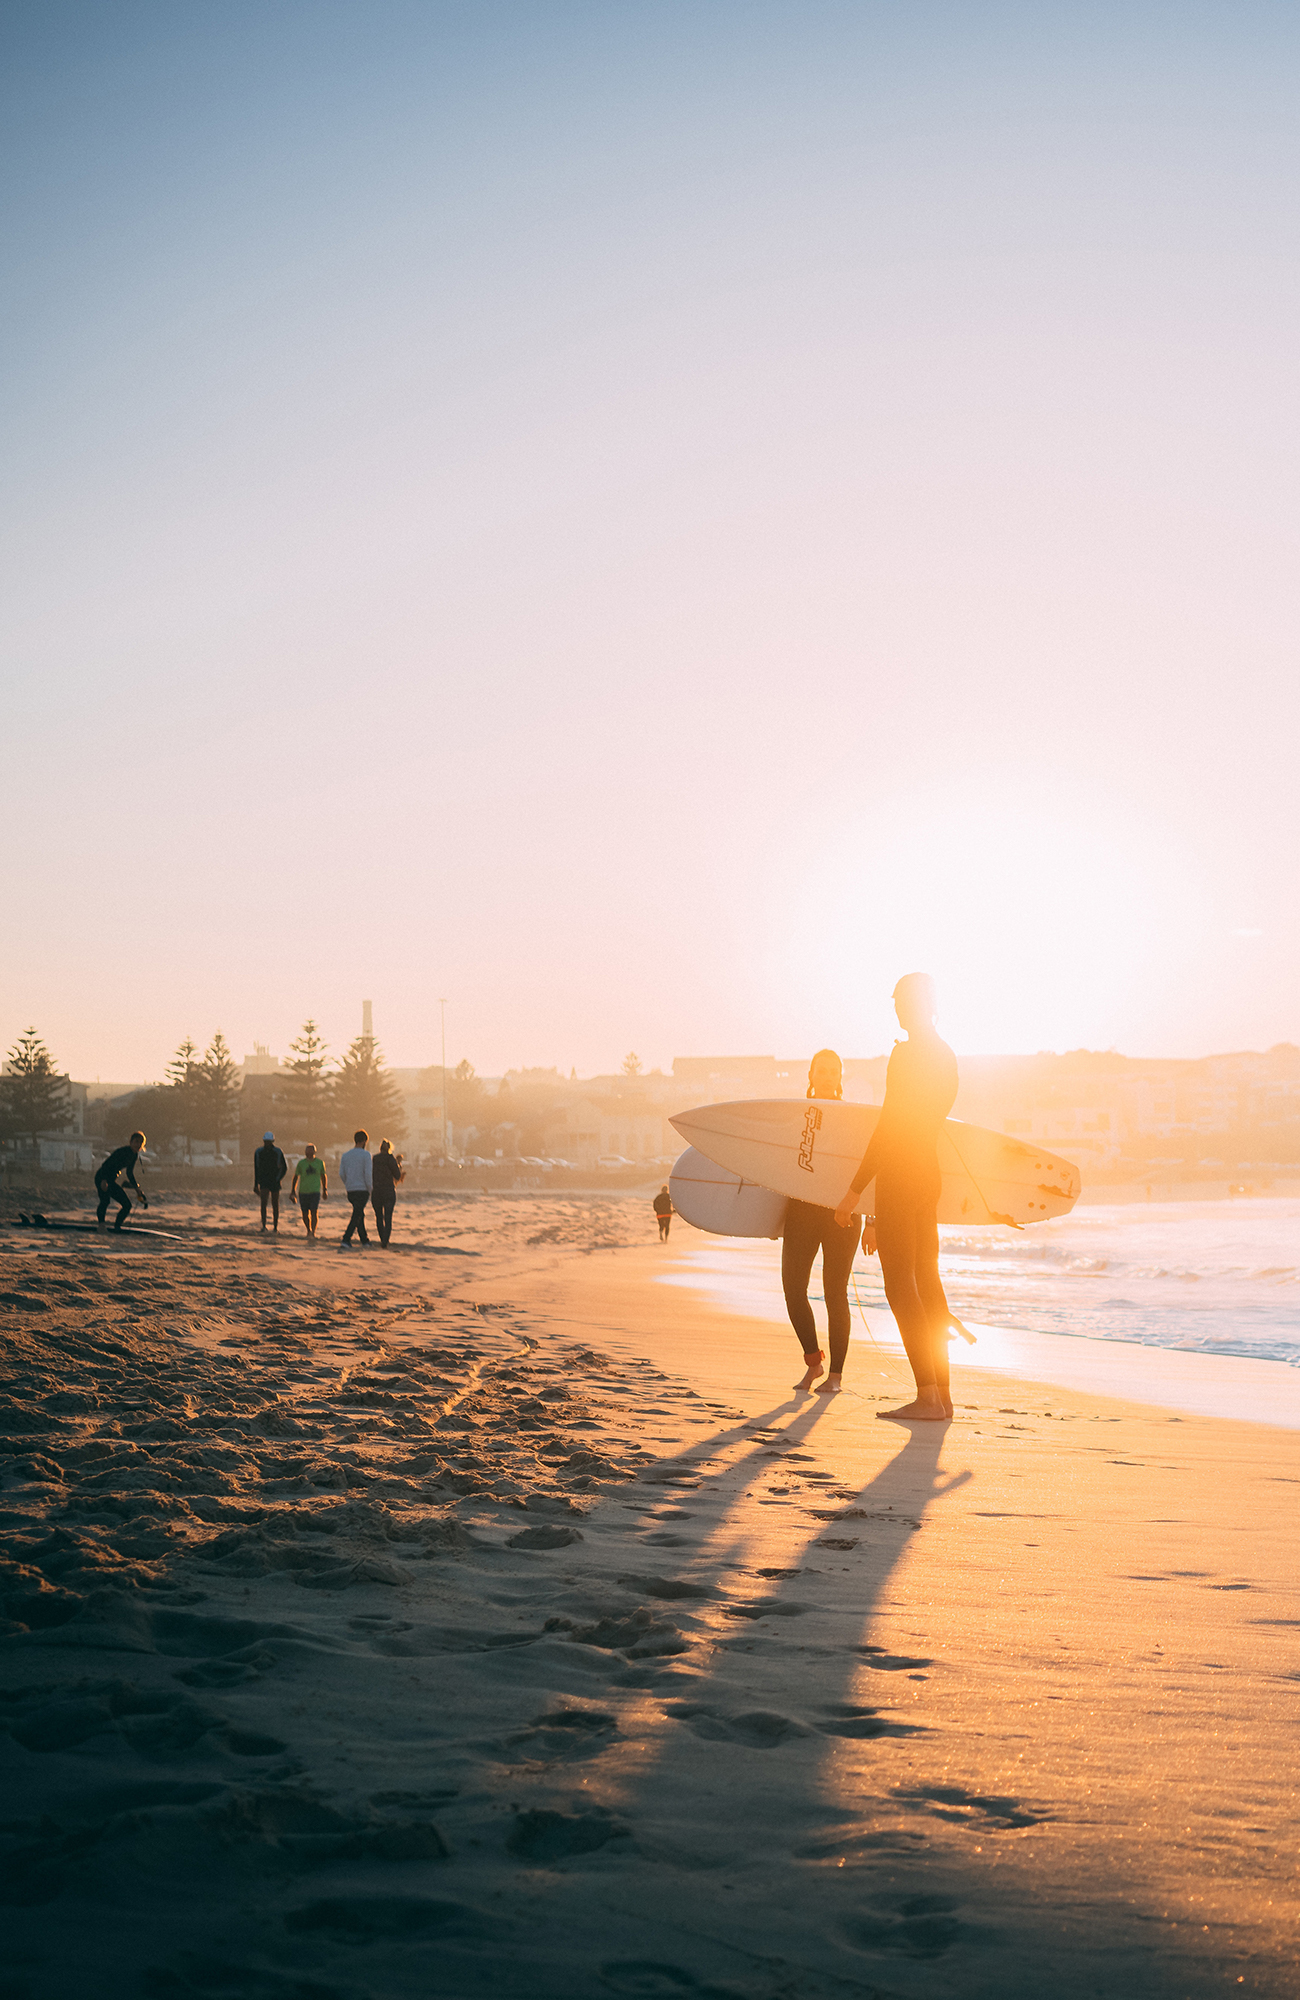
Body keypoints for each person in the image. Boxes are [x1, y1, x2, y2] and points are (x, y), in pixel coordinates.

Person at [834, 972, 965, 1422]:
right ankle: (942, 1396)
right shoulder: (946, 1056)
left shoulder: (907, 1055)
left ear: (917, 1004)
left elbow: (889, 1126)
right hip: (928, 1174)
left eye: (900, 1001)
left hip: (901, 1175)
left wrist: (853, 1193)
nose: (896, 1008)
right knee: (927, 1279)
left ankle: (927, 1395)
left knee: (899, 1284)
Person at [785, 1050, 863, 1395]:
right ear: (812, 1074)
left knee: (835, 1294)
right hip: (801, 1209)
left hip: (841, 1213)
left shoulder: (853, 1117)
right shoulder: (794, 1116)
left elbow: (869, 1168)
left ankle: (835, 1376)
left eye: (835, 1071)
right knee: (793, 1289)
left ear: (840, 1076)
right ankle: (813, 1361)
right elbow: (778, 1164)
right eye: (823, 1070)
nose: (829, 1076)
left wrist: (873, 1219)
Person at [94, 1131, 148, 1233]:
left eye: (141, 1143)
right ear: (131, 1142)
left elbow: (129, 1173)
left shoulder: (134, 1155)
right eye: (136, 1142)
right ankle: (101, 1225)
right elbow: (106, 1164)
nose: (138, 1145)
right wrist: (104, 1180)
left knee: (127, 1205)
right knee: (105, 1201)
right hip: (101, 1177)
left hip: (111, 1180)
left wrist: (137, 1189)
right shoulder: (122, 1152)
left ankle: (117, 1226)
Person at [338, 1129, 373, 1246]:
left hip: (351, 1189)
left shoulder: (346, 1155)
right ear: (364, 1141)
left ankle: (364, 1240)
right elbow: (368, 1173)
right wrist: (370, 1188)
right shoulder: (366, 1155)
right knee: (357, 1215)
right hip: (362, 1189)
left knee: (359, 1214)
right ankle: (346, 1238)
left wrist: (348, 1183)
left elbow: (341, 1173)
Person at [253, 1130, 288, 1234]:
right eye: (266, 1141)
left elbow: (284, 1168)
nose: (267, 1143)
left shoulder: (278, 1152)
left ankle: (275, 1227)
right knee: (264, 1203)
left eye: (269, 1141)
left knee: (275, 1204)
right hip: (264, 1180)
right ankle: (264, 1226)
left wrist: (278, 1178)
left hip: (274, 1181)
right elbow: (256, 1168)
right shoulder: (258, 1152)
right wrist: (256, 1184)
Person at [371, 1139, 404, 1247]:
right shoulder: (391, 1159)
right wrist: (398, 1167)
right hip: (389, 1190)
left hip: (376, 1191)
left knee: (379, 1216)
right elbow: (397, 1176)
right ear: (389, 1148)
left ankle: (382, 1238)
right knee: (388, 1217)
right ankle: (385, 1241)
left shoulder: (374, 1159)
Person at [291, 1143, 328, 1238]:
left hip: (315, 1191)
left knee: (314, 1211)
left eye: (311, 1151)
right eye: (307, 1151)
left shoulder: (320, 1163)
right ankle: (308, 1229)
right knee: (304, 1213)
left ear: (314, 1152)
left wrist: (324, 1190)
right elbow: (296, 1177)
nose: (309, 1153)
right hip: (303, 1191)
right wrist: (293, 1191)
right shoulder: (301, 1163)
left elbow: (323, 1176)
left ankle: (313, 1231)